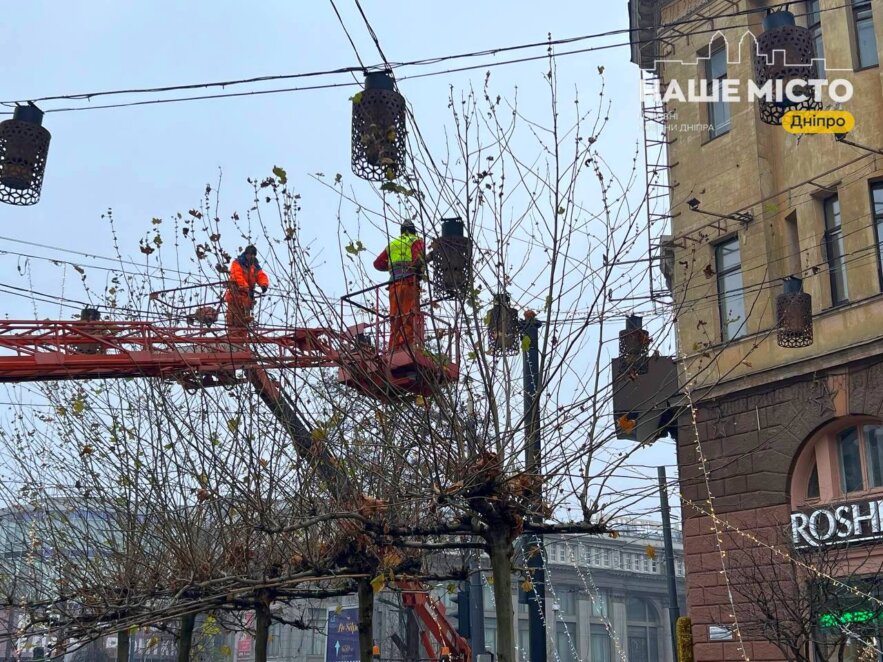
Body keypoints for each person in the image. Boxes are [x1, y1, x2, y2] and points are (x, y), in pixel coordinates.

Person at [373, 221, 425, 350]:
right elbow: (417, 261)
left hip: (393, 285)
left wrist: (393, 268)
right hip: (409, 283)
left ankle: (393, 348)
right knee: (409, 315)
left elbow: (378, 264)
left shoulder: (392, 244)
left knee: (395, 317)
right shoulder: (416, 241)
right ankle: (407, 347)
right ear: (413, 231)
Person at [225, 245, 269, 336]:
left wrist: (264, 284)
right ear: (246, 254)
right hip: (236, 295)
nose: (252, 257)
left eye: (253, 255)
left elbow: (261, 275)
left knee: (244, 323)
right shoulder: (237, 263)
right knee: (234, 320)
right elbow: (237, 276)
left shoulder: (254, 266)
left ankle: (241, 341)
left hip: (247, 297)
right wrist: (246, 287)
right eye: (250, 255)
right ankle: (234, 341)